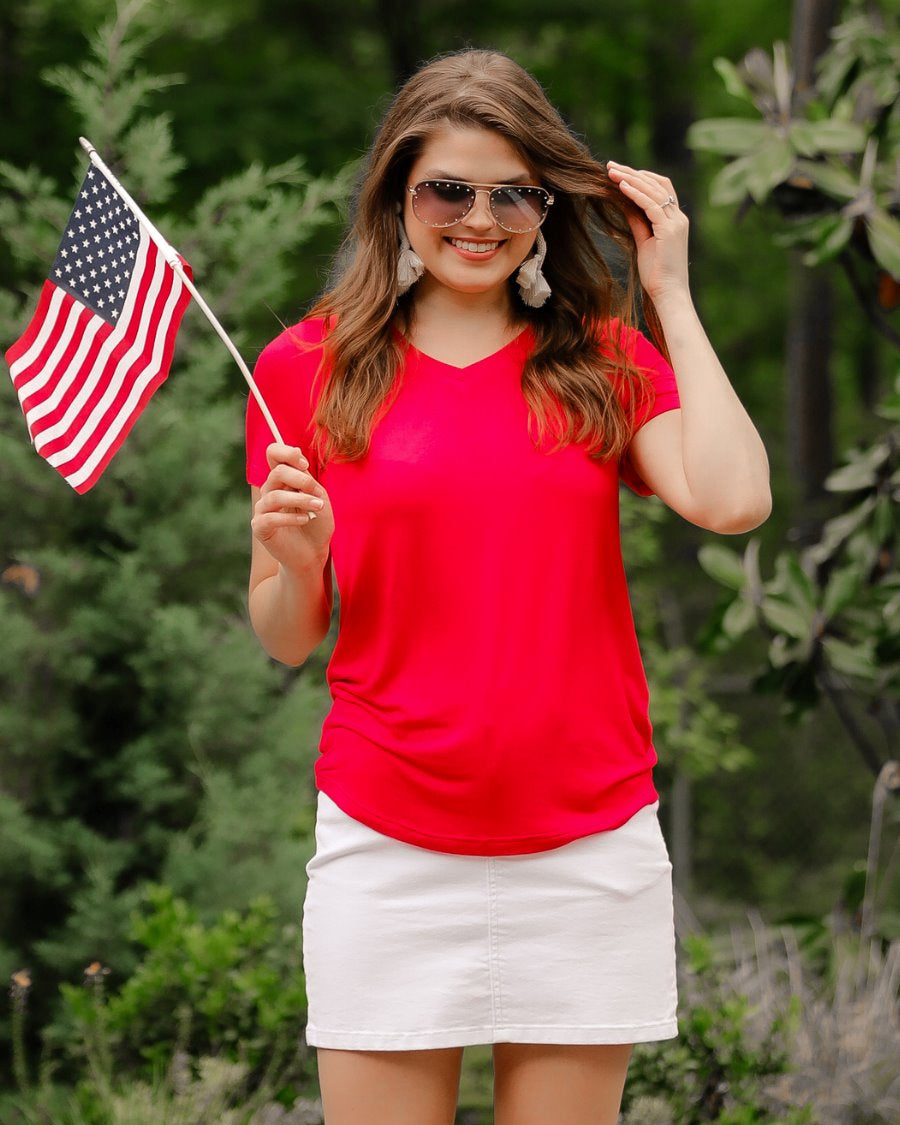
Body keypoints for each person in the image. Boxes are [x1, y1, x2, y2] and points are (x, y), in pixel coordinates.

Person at [245, 48, 771, 1125]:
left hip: (586, 843)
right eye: (447, 188)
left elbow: (733, 501)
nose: (479, 217)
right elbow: (287, 635)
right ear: (398, 197)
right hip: (385, 844)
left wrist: (667, 288)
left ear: (544, 206)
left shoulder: (604, 359)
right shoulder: (306, 367)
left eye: (513, 192)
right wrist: (298, 567)